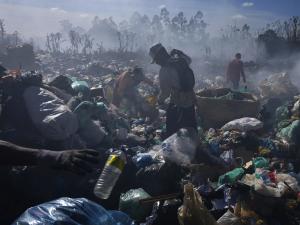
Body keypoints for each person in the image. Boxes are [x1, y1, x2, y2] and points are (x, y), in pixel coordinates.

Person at [149, 43, 197, 138]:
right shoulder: (180, 60)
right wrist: (180, 53)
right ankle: (194, 144)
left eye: (156, 60)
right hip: (191, 98)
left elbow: (165, 92)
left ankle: (174, 147)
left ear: (160, 56)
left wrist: (159, 100)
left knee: (171, 127)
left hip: (178, 101)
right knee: (191, 123)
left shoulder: (164, 70)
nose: (157, 63)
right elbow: (189, 60)